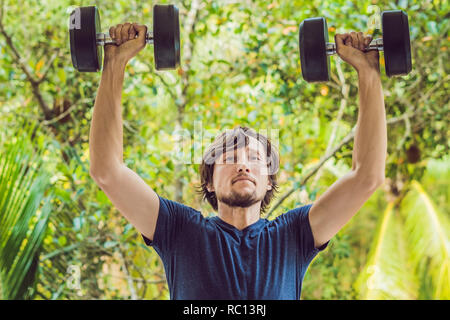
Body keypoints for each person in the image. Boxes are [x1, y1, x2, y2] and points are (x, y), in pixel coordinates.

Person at [89, 22, 386, 299]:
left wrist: (367, 71)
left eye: (256, 158)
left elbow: (366, 177)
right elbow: (107, 171)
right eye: (230, 157)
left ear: (269, 179)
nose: (243, 164)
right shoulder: (179, 230)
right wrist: (114, 63)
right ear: (208, 182)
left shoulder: (293, 235)